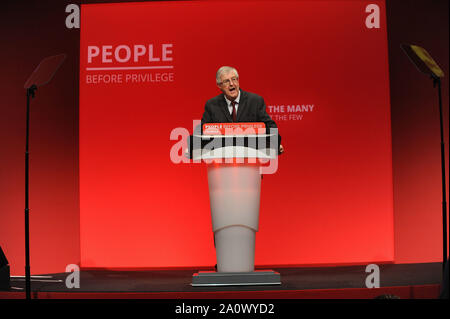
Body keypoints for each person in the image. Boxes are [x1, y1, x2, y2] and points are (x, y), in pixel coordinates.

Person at [201, 66, 284, 153]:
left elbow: (269, 126)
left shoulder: (255, 101)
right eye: (226, 81)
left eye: (234, 79)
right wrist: (195, 148)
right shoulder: (212, 105)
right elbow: (202, 131)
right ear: (219, 85)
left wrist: (276, 144)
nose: (231, 84)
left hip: (250, 155)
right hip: (222, 156)